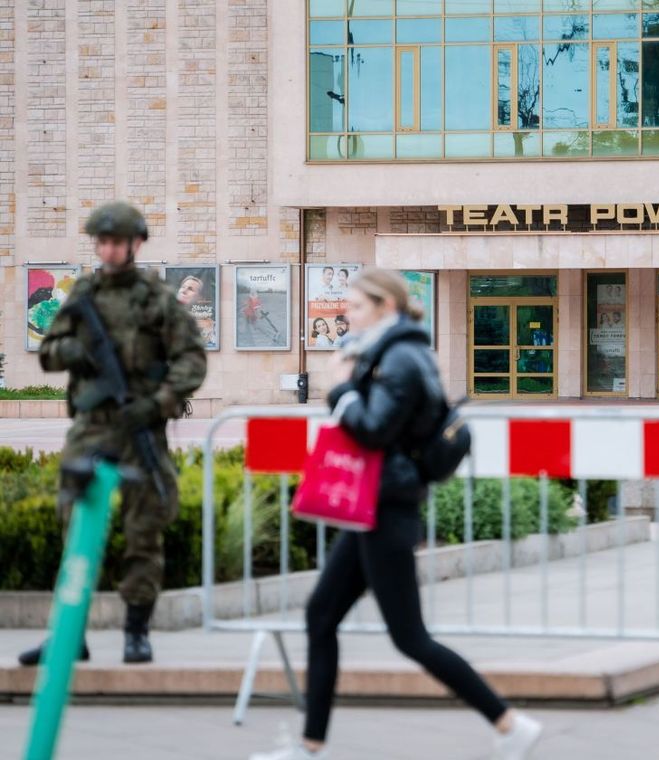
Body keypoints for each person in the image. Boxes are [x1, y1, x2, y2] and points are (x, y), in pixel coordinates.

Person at [251, 268, 541, 760]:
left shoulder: (402, 358)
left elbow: (375, 429)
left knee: (410, 637)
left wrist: (341, 390)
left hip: (387, 510)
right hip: (376, 507)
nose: (347, 312)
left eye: (357, 306)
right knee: (321, 616)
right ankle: (309, 745)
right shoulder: (392, 353)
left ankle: (508, 722)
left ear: (385, 307)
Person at [20, 201, 206, 666]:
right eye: (101, 242)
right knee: (74, 526)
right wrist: (79, 351)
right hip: (92, 427)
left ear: (136, 244)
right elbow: (49, 352)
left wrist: (158, 403)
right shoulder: (84, 294)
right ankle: (69, 635)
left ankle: (137, 633)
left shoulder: (157, 298)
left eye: (116, 242)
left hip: (140, 425)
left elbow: (191, 360)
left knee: (145, 529)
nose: (107, 250)